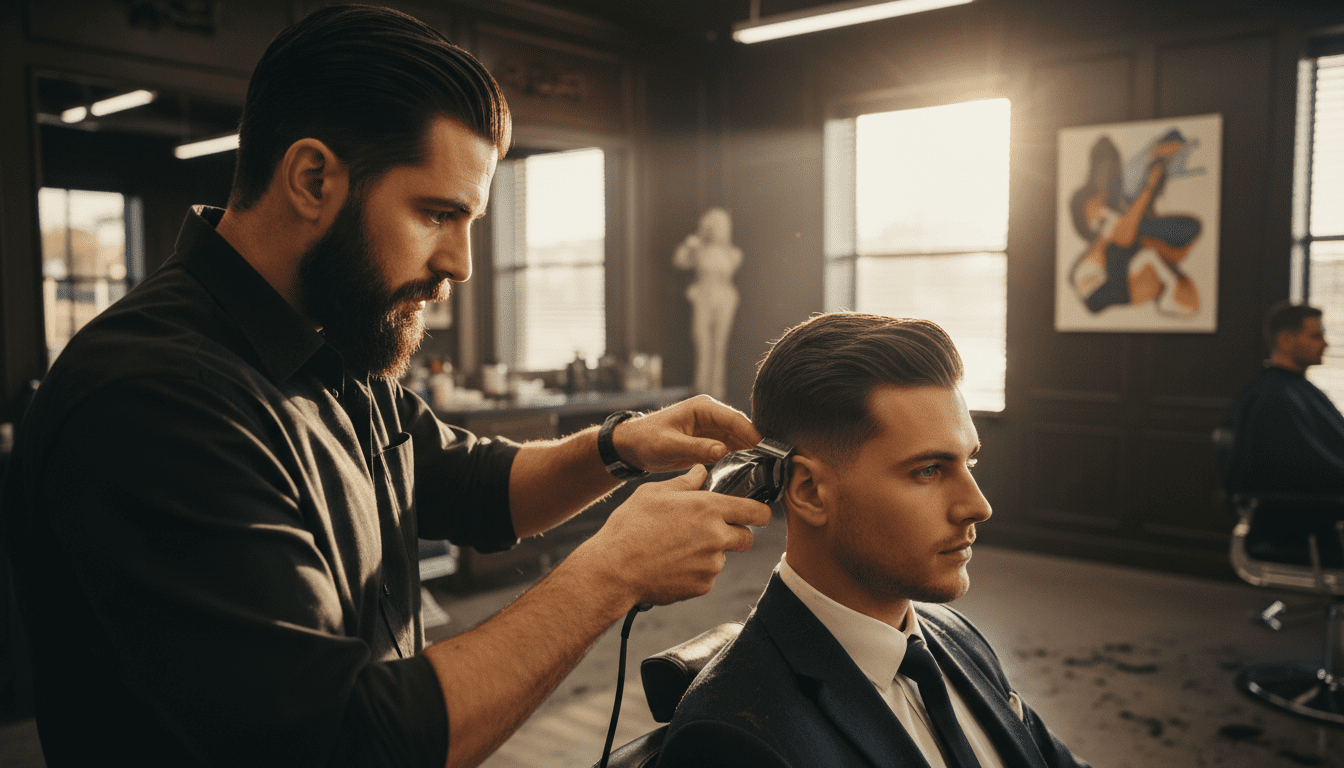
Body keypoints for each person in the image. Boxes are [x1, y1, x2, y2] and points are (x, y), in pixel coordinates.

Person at [0, 6, 771, 767]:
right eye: (437, 214)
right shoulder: (150, 400)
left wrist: (621, 446)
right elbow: (341, 743)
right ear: (312, 179)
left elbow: (470, 485)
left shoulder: (330, 337)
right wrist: (611, 572)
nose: (460, 264)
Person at [659, 313, 1090, 768]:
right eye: (928, 471)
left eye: (971, 463)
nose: (978, 506)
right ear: (809, 490)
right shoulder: (730, 740)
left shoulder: (957, 636)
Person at [1219, 301, 1344, 567]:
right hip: (1304, 521)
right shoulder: (1273, 399)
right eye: (1316, 336)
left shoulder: (1298, 390)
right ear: (1286, 340)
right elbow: (1308, 469)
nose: (1325, 344)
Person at [674, 207, 741, 401]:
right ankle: (701, 392)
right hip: (703, 296)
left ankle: (717, 395)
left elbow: (729, 266)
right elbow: (680, 260)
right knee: (702, 344)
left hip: (724, 298)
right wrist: (694, 241)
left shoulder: (732, 253)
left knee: (719, 347)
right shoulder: (698, 249)